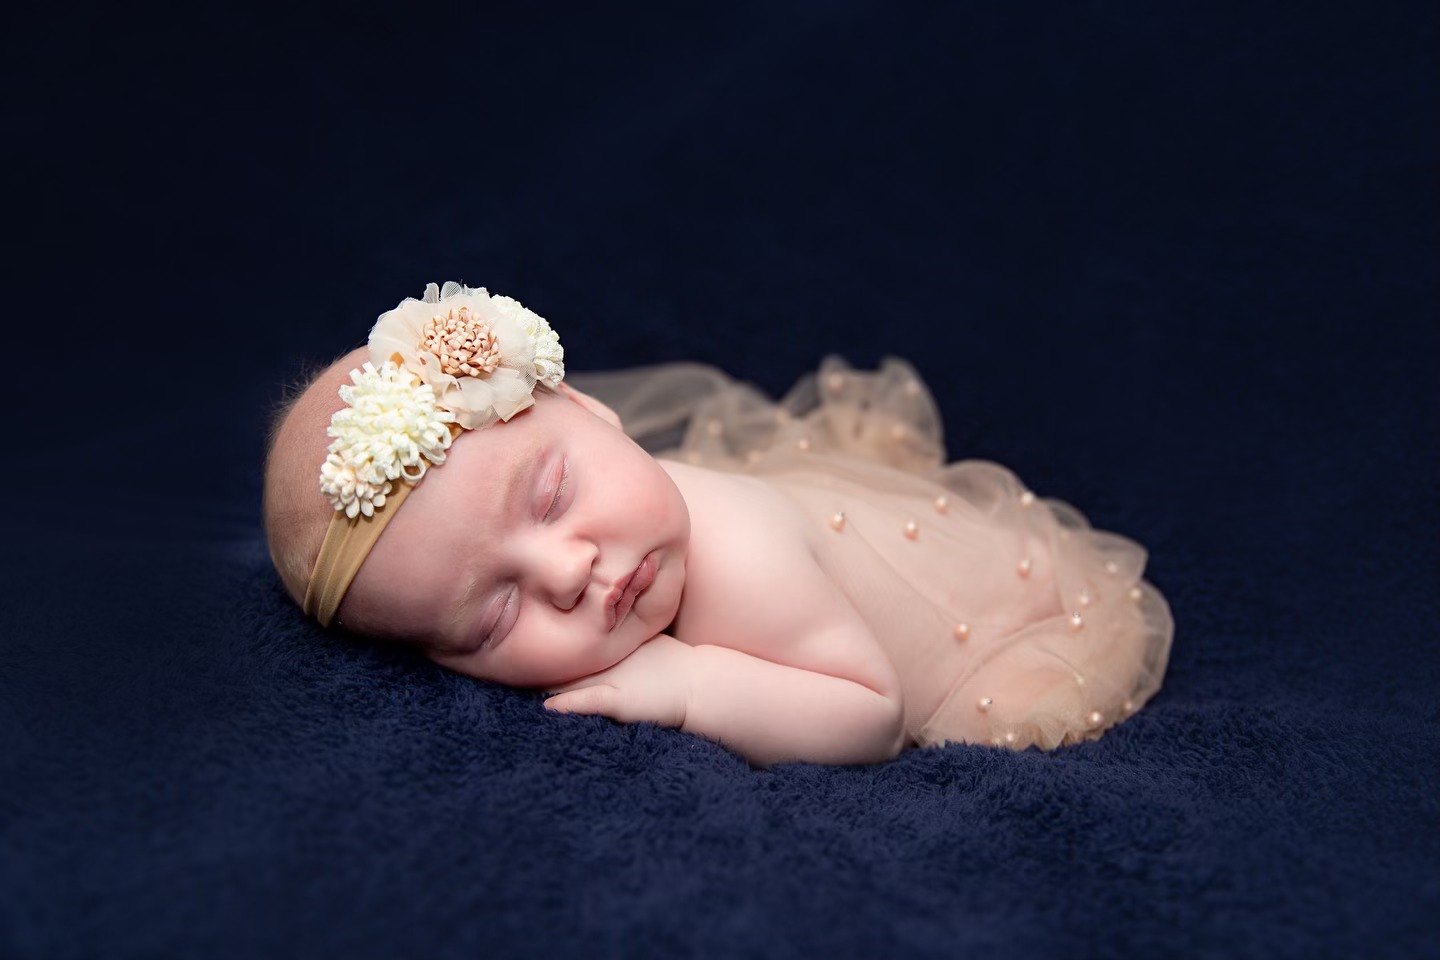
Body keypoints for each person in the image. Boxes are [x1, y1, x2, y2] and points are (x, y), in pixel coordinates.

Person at [263, 282, 1174, 768]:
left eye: (547, 498)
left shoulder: (740, 558)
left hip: (999, 620)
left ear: (589, 408)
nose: (566, 571)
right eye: (496, 615)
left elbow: (871, 714)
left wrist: (693, 686)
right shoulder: (621, 518)